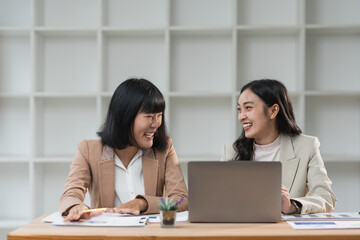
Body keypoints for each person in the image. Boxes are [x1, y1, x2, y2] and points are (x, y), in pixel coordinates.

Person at [60, 78, 188, 221]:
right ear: (125, 118)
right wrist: (76, 207)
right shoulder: (88, 150)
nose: (157, 124)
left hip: (150, 235)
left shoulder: (164, 149)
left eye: (159, 116)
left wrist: (143, 203)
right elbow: (71, 193)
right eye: (149, 117)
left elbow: (180, 199)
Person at [221, 79, 336, 214]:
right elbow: (220, 200)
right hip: (244, 231)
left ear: (273, 111)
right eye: (239, 109)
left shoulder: (306, 146)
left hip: (285, 232)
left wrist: (292, 205)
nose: (241, 116)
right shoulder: (232, 151)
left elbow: (326, 197)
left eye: (248, 108)